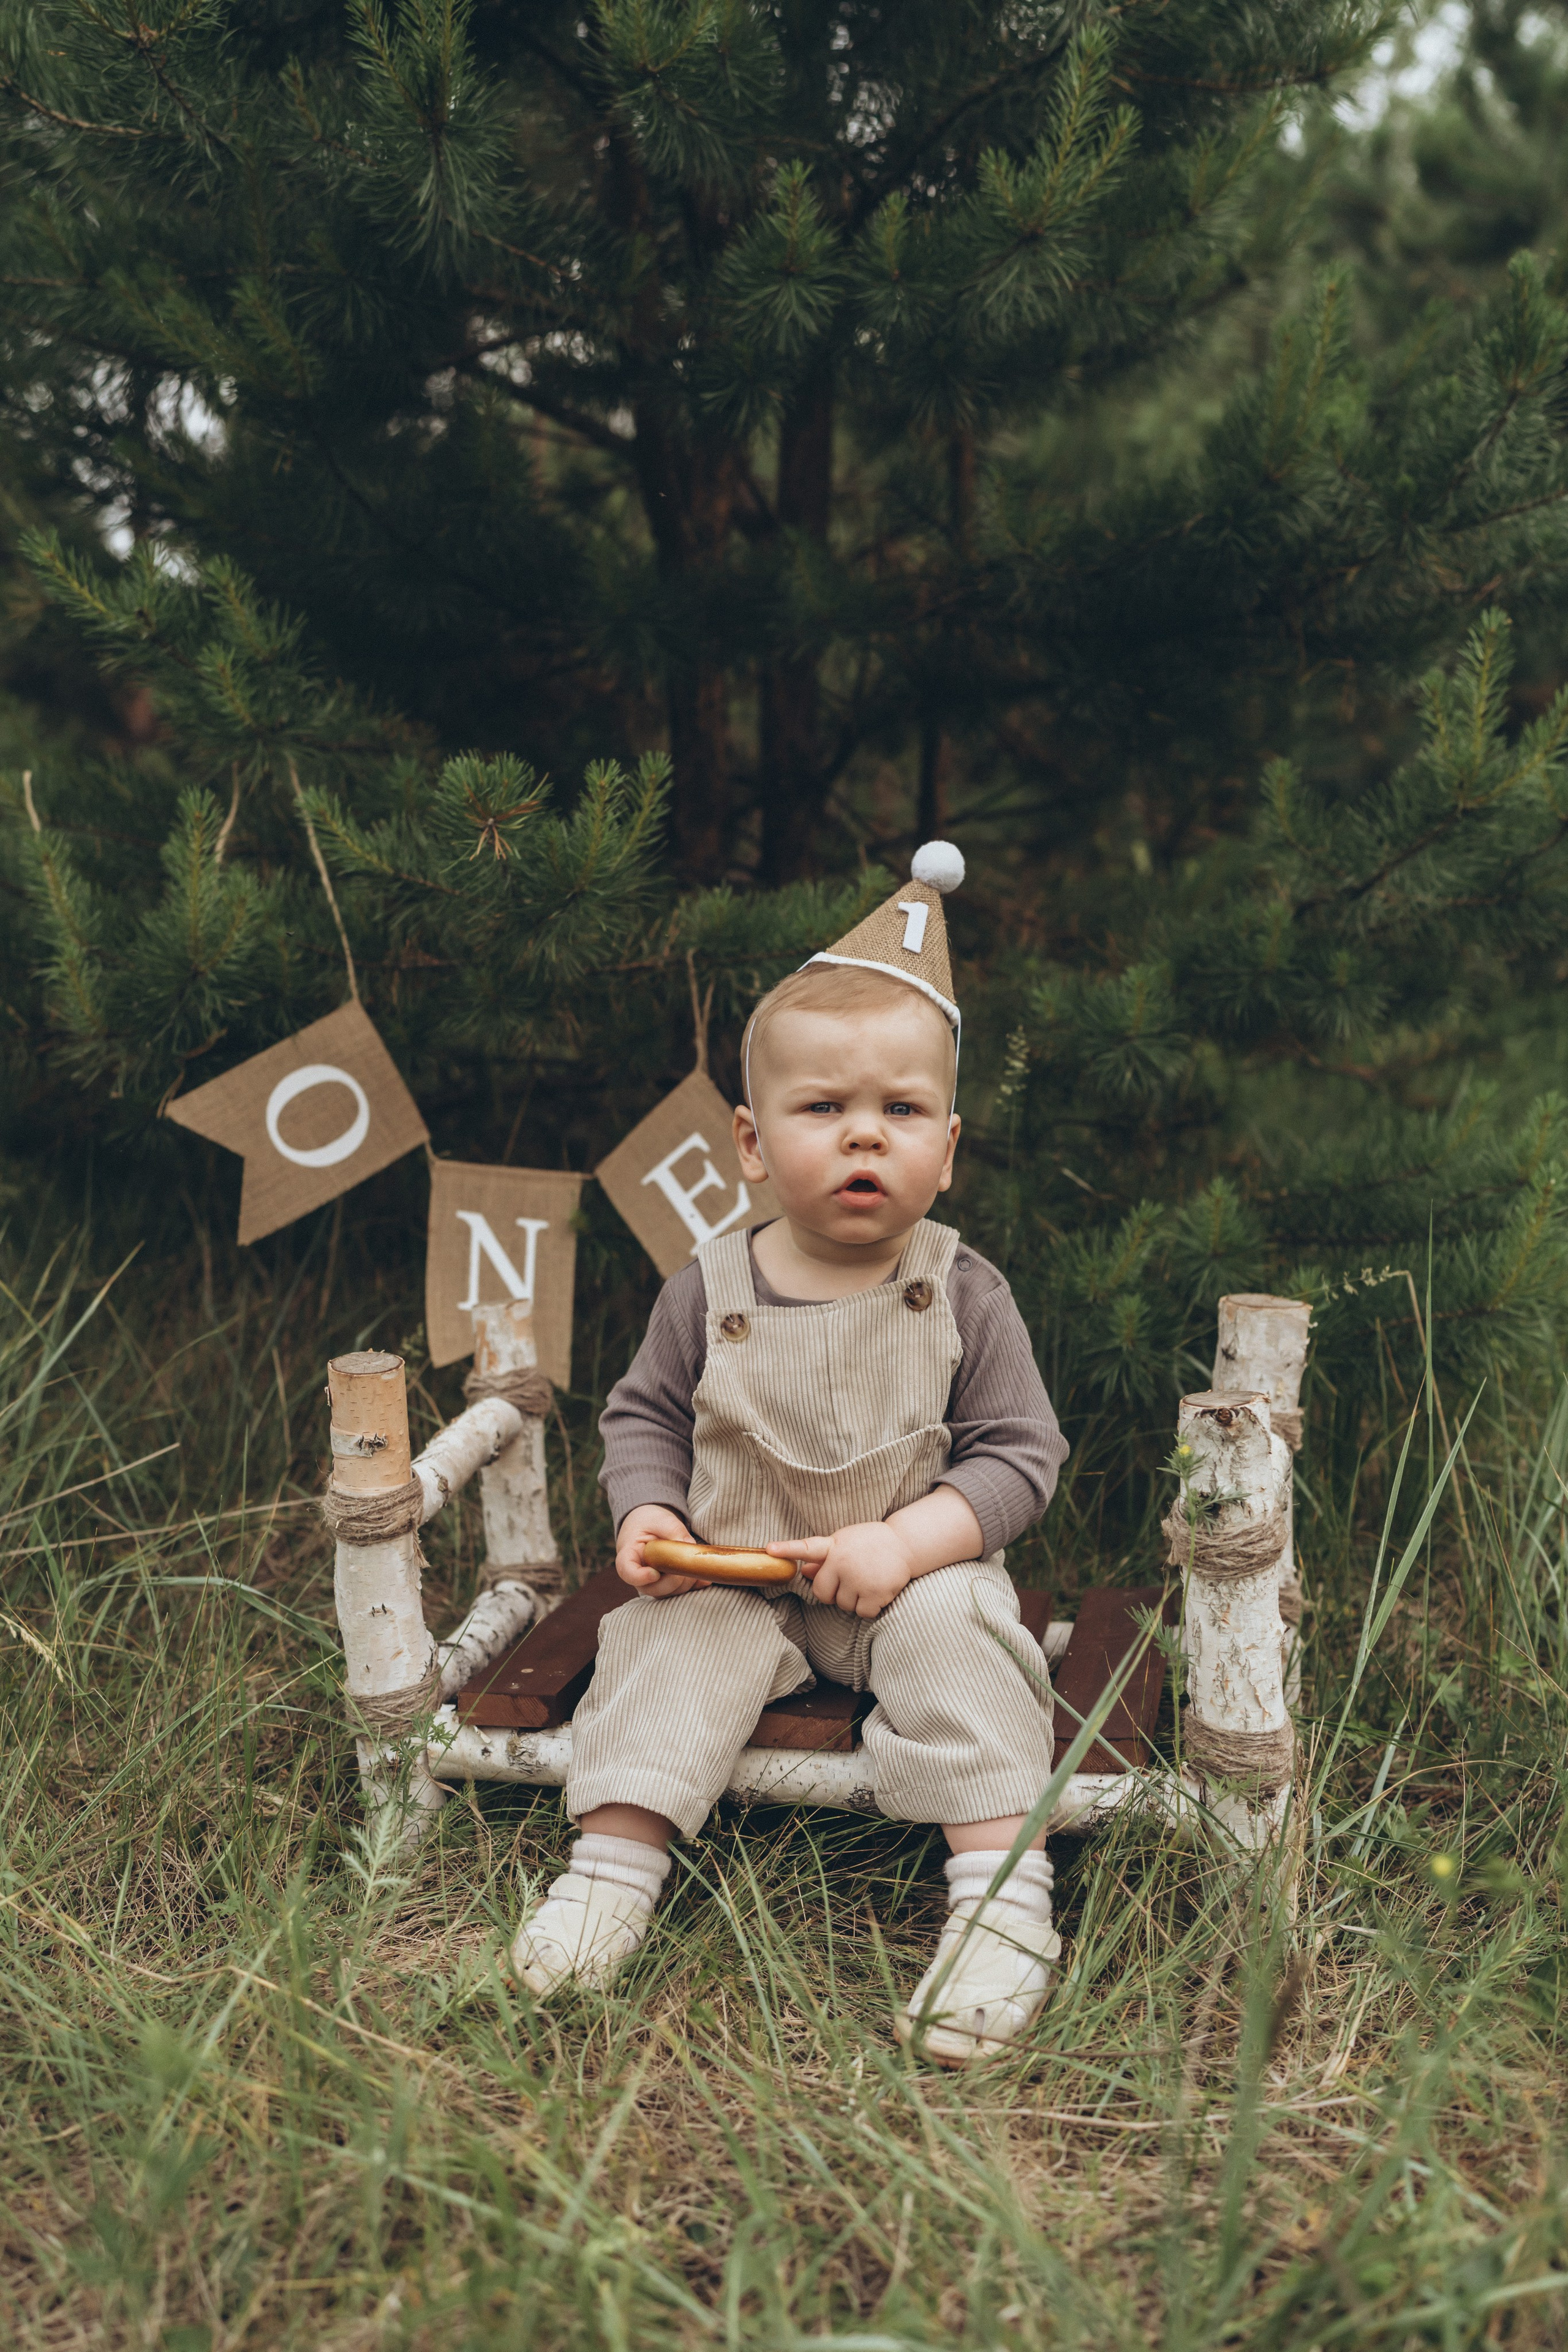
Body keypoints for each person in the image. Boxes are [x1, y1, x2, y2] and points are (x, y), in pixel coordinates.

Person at [510, 845, 1070, 2062]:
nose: (863, 1136)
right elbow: (645, 1415)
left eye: (900, 1113)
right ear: (753, 1144)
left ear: (949, 1146)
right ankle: (611, 1865)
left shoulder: (963, 1292)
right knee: (654, 1640)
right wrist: (647, 1517)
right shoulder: (705, 1287)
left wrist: (908, 1541)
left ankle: (997, 1901)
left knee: (966, 1637)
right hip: (734, 1572)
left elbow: (1018, 1458)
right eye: (824, 1110)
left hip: (902, 1579)